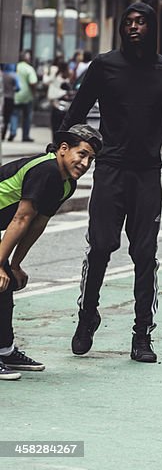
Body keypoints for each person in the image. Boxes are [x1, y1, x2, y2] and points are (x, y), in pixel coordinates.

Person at [59, 3, 162, 363]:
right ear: (121, 28)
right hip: (111, 171)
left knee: (145, 256)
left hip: (148, 174)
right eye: (129, 22)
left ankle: (142, 334)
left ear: (152, 28)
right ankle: (87, 317)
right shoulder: (105, 66)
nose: (134, 27)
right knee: (101, 247)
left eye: (141, 22)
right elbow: (77, 110)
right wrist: (55, 150)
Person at [0, 124, 102, 381]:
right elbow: (21, 219)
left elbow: (36, 224)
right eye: (82, 154)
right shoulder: (46, 170)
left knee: (6, 282)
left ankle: (5, 349)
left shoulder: (66, 184)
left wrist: (14, 264)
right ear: (63, 149)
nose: (85, 162)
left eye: (91, 158)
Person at [9, 52, 38, 143]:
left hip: (16, 95)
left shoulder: (15, 67)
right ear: (27, 59)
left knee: (14, 115)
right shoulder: (29, 68)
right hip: (27, 96)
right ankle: (25, 135)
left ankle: (13, 132)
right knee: (27, 116)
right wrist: (34, 93)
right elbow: (33, 82)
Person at [45, 60, 71, 141]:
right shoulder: (67, 75)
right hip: (62, 100)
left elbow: (46, 81)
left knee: (55, 125)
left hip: (56, 100)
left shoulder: (56, 75)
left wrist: (46, 73)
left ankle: (55, 141)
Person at [1, 65, 17, 143]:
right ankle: (4, 134)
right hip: (10, 97)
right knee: (7, 118)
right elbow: (18, 87)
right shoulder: (13, 76)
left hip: (2, 98)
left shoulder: (2, 75)